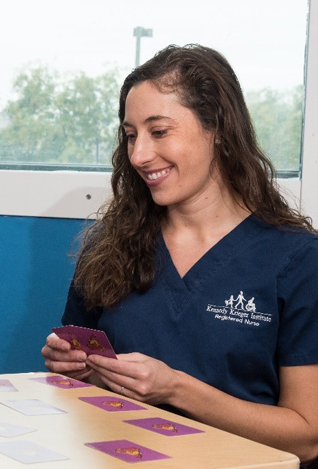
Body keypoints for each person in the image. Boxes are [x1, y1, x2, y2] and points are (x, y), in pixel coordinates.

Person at [41, 44, 318, 464]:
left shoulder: (297, 260)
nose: (138, 155)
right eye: (131, 135)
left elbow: (307, 436)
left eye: (159, 131)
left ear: (218, 128)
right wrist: (76, 369)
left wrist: (176, 389)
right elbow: (81, 386)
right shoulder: (108, 246)